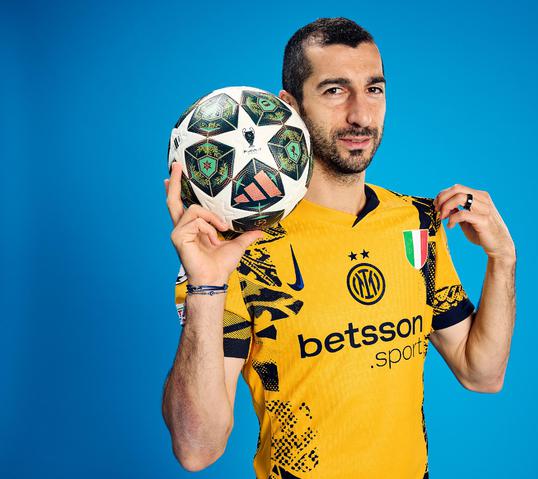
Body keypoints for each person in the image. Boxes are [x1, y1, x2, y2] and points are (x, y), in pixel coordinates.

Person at [162, 17, 516, 479]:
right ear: (289, 107)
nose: (361, 115)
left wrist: (502, 259)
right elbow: (197, 450)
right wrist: (207, 287)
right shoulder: (238, 250)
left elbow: (481, 372)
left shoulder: (418, 223)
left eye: (374, 89)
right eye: (334, 90)